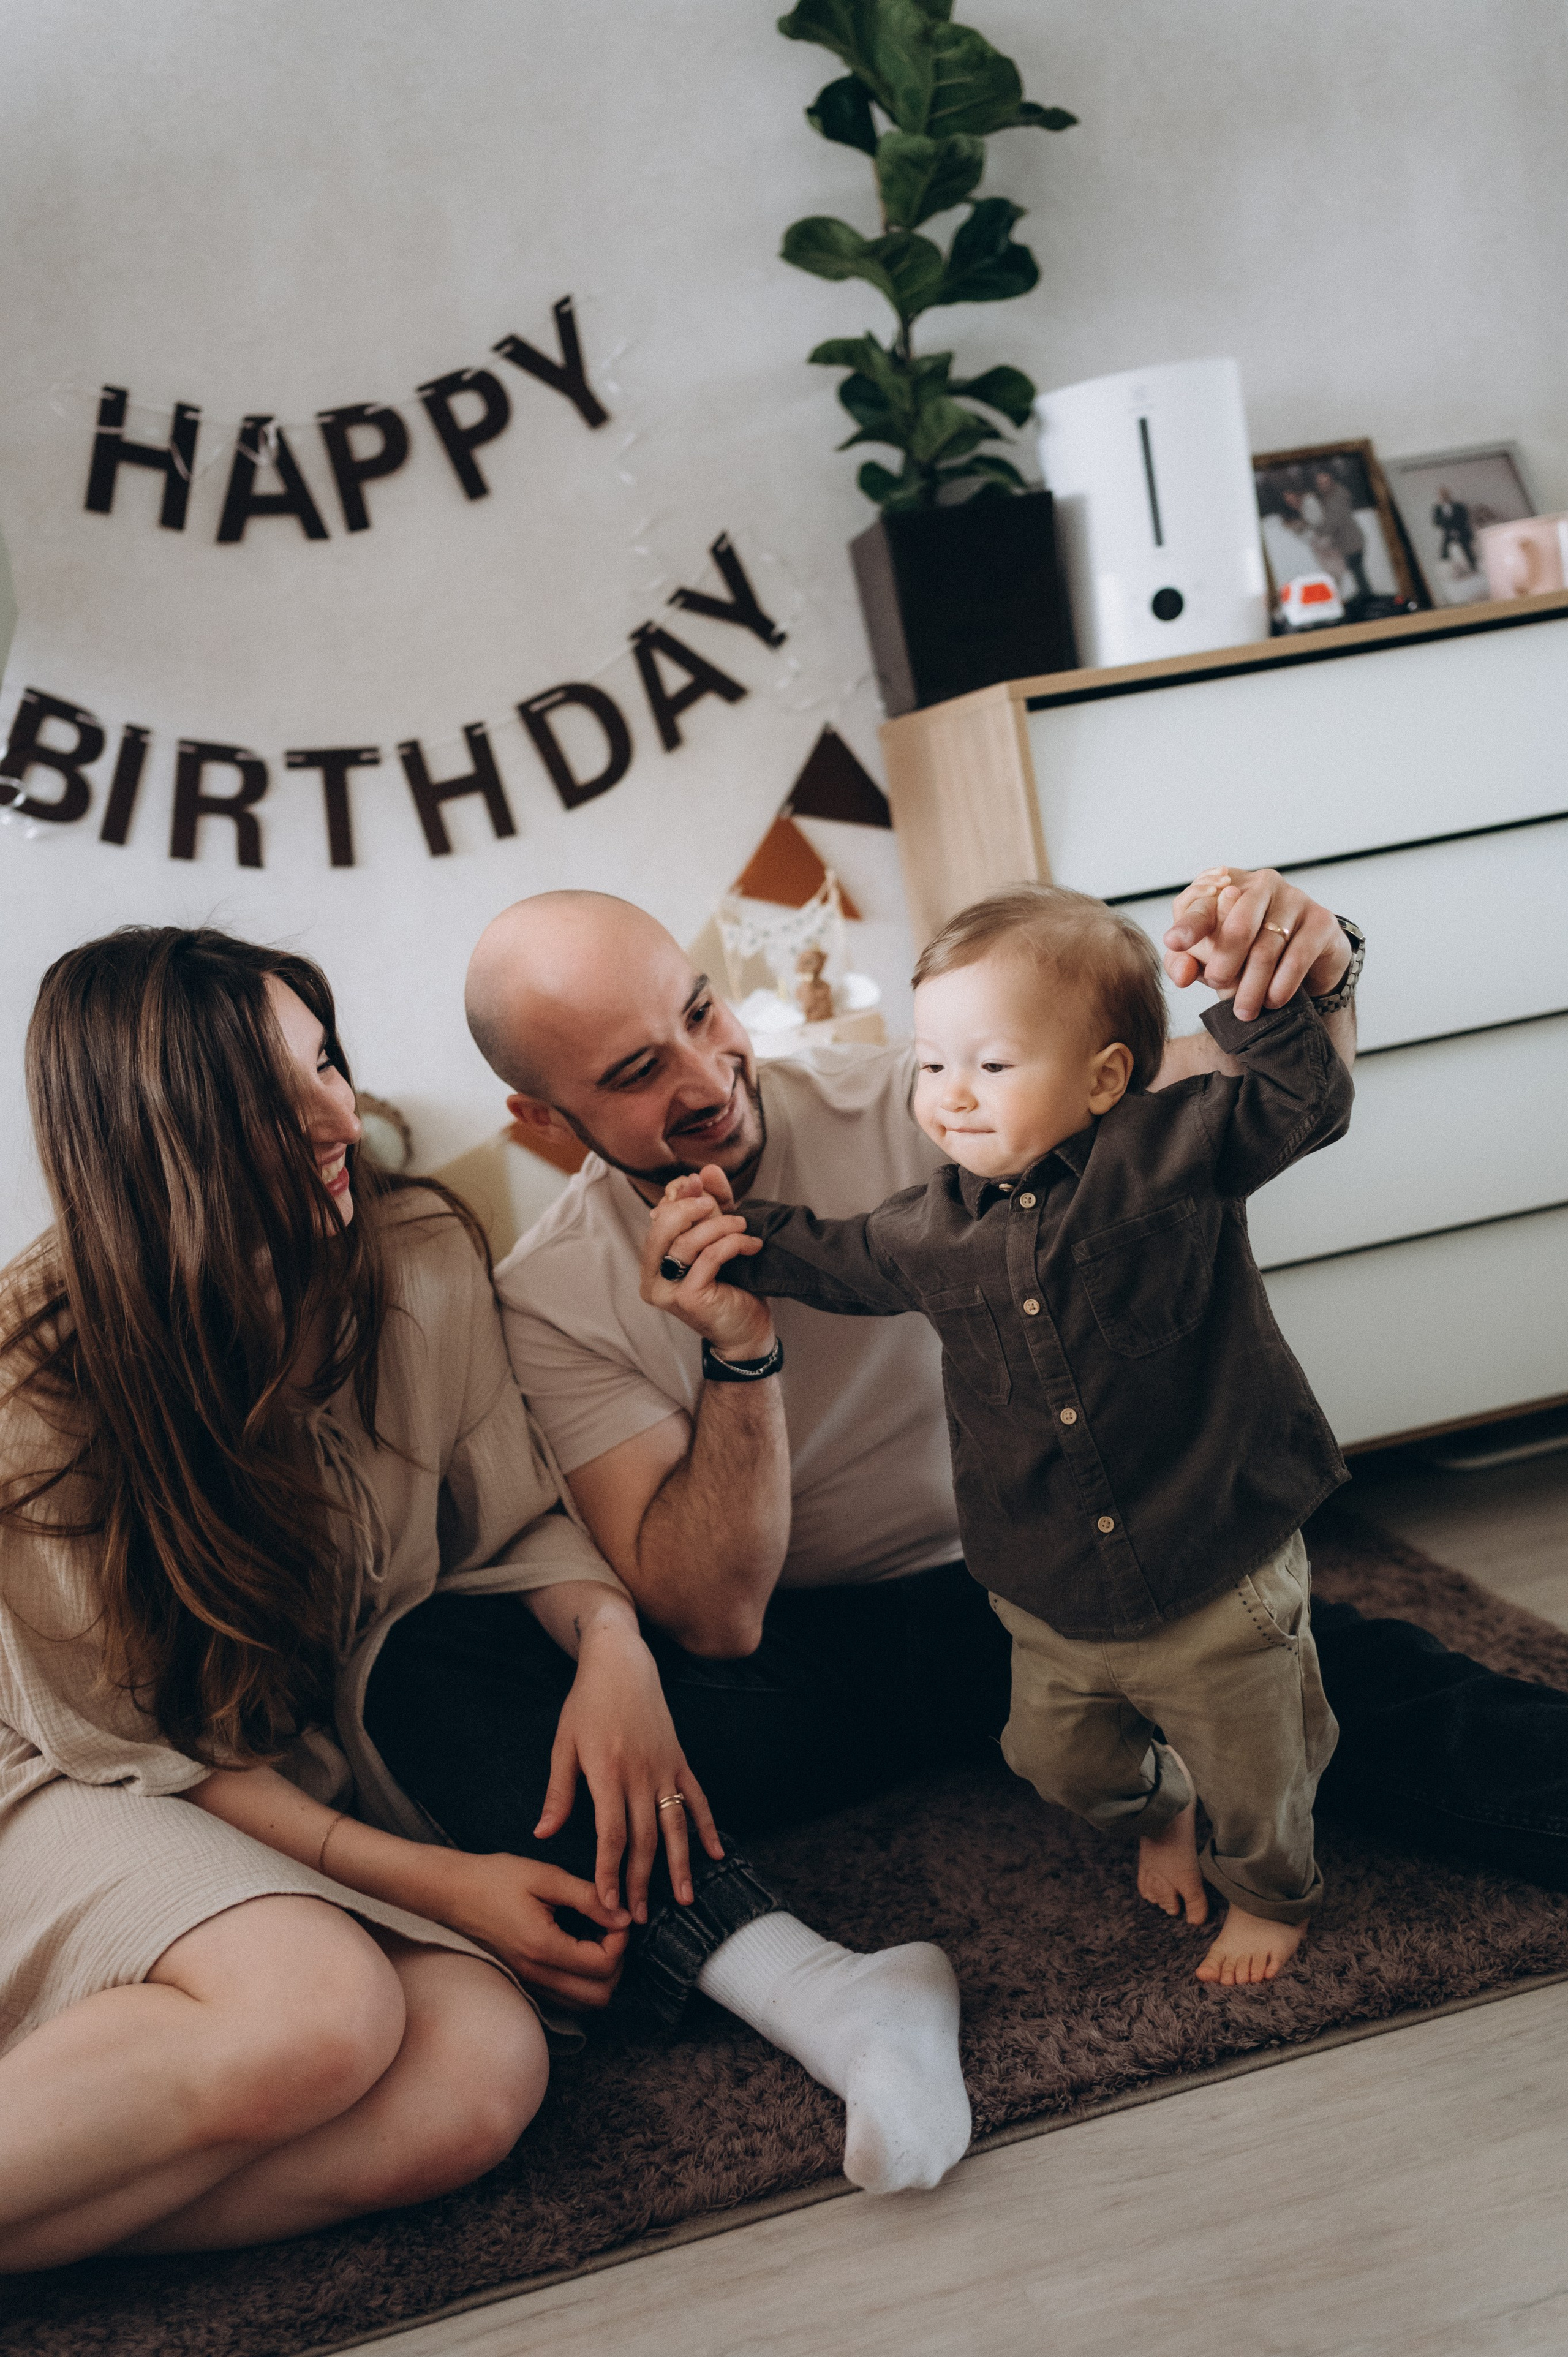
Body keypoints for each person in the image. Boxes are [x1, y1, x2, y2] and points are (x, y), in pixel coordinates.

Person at [0, 930, 959, 2278]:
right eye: (279, 1098)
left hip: (309, 1758)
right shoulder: (31, 1383)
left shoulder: (410, 1254)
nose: (342, 1114)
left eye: (327, 1061)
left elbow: (506, 1523)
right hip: (78, 1778)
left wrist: (612, 1644)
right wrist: (441, 1876)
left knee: (477, 2079)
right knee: (321, 2014)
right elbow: (147, 1744)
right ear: (157, 1137)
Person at [682, 879, 1355, 1985]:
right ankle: (1157, 1805)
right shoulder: (928, 1229)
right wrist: (724, 1228)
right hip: (1049, 1585)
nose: (950, 1094)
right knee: (1054, 1759)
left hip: (1214, 1557)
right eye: (930, 1063)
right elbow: (827, 1253)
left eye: (990, 1065)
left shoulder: (1173, 1151)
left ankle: (1271, 1890)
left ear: (1104, 1078)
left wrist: (1258, 993)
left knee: (1260, 1764)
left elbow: (1303, 1102)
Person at [1306, 469, 1374, 606]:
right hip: (1347, 542)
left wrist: (1320, 530)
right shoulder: (1329, 497)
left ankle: (1368, 598)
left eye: (1324, 482)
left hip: (1351, 542)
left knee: (1358, 572)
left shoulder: (1337, 497)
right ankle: (1366, 596)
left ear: (1331, 481)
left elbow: (1334, 521)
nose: (1322, 485)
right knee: (1357, 572)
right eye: (1320, 483)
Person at [1432, 486, 1479, 575]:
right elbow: (1436, 522)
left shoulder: (1458, 506)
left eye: (1445, 494)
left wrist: (1457, 529)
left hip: (1462, 531)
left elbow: (1464, 518)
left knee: (1466, 548)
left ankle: (1473, 567)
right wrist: (1448, 527)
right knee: (1444, 551)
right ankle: (1452, 571)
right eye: (1441, 495)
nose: (1444, 496)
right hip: (1448, 533)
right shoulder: (1437, 509)